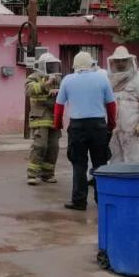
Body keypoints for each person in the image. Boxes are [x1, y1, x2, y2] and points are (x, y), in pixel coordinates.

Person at [53, 51, 117, 211]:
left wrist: (57, 124)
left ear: (75, 66)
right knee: (100, 164)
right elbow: (111, 105)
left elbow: (59, 106)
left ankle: (79, 201)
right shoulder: (102, 79)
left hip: (77, 127)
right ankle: (101, 199)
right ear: (91, 64)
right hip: (98, 126)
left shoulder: (68, 80)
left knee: (79, 164)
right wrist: (111, 125)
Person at [107, 46, 139, 163]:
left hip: (133, 125)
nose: (120, 63)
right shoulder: (108, 78)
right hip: (114, 126)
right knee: (115, 158)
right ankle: (118, 181)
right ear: (113, 62)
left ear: (129, 61)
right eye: (117, 61)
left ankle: (138, 181)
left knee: (136, 158)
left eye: (123, 60)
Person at [25, 53, 63, 185]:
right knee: (40, 145)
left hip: (54, 116)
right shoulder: (34, 77)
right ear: (42, 66)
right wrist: (45, 85)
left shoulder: (58, 78)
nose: (53, 68)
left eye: (54, 65)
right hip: (40, 117)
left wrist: (58, 90)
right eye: (50, 65)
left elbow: (65, 91)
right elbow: (28, 90)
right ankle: (32, 174)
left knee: (53, 147)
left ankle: (47, 174)